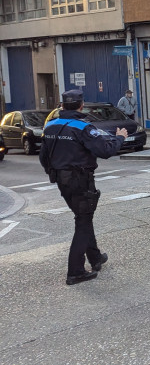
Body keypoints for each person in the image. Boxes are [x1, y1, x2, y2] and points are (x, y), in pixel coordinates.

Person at [40, 90, 127, 286]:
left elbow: (43, 157)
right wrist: (120, 137)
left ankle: (95, 258)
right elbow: (106, 150)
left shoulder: (51, 126)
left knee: (83, 218)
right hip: (80, 180)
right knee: (83, 221)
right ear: (81, 105)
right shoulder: (83, 128)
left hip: (62, 181)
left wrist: (54, 172)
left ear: (62, 106)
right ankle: (75, 271)